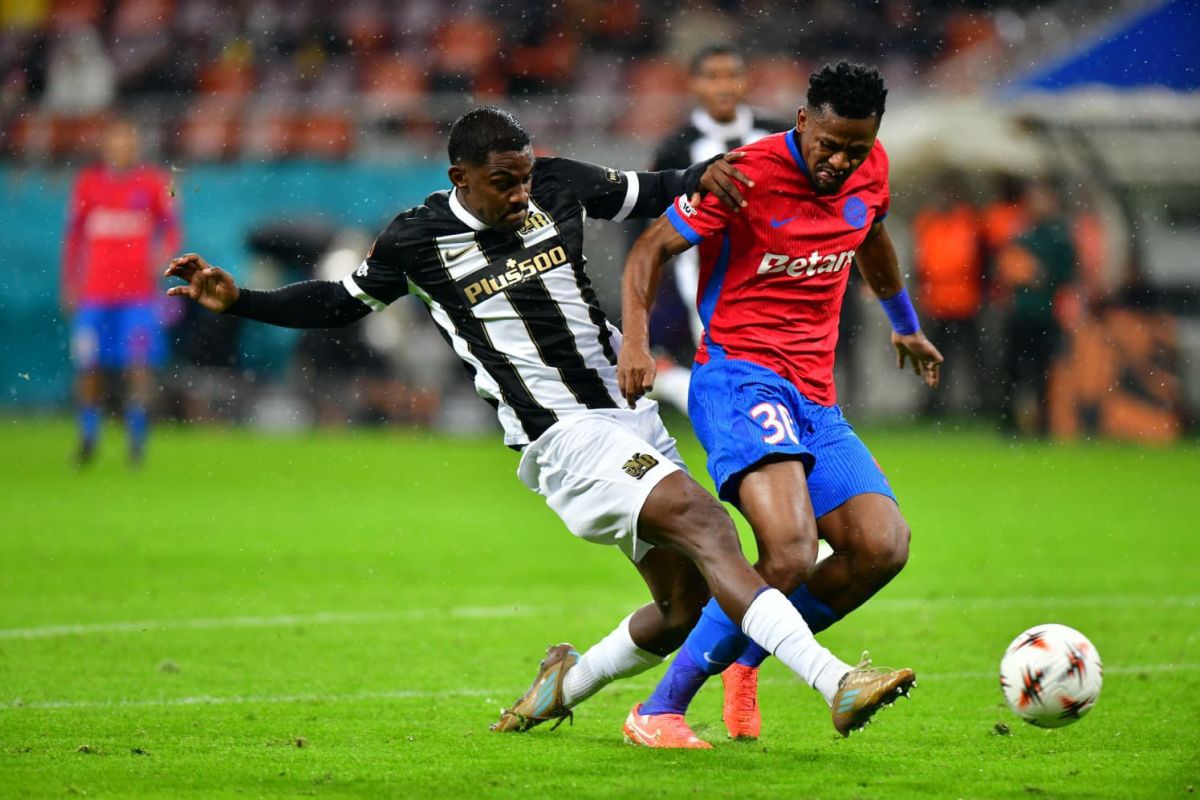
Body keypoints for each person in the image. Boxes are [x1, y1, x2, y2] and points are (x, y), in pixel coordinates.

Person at [166, 107, 912, 746]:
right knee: (707, 524)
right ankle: (834, 681)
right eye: (504, 182)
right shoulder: (416, 240)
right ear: (461, 178)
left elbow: (647, 191)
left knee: (683, 609)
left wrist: (706, 174)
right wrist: (243, 302)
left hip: (630, 416)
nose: (522, 193)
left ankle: (563, 686)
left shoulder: (555, 183)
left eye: (525, 177)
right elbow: (340, 302)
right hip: (561, 435)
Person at [616, 62, 941, 747]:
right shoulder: (746, 175)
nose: (840, 161)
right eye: (829, 144)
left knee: (882, 546)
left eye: (856, 148)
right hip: (739, 380)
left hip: (815, 396)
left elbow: (872, 234)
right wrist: (637, 342)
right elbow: (649, 248)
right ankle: (659, 709)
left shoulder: (871, 170)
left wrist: (904, 323)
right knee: (789, 552)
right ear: (801, 121)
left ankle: (750, 655)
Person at [640, 44, 790, 411]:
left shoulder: (779, 135)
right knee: (734, 370)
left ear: (746, 80)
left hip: (779, 268)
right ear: (693, 84)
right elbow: (651, 218)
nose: (724, 86)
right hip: (708, 275)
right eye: (712, 77)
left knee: (782, 369)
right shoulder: (677, 148)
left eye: (732, 75)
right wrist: (649, 279)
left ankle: (671, 380)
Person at [63, 118, 182, 466]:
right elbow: (73, 238)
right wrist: (70, 282)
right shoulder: (87, 184)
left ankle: (136, 443)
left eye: (126, 142)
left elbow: (172, 229)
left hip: (138, 297)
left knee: (138, 367)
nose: (121, 148)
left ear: (135, 146)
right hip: (95, 296)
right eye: (115, 142)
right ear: (105, 146)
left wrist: (162, 258)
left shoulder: (154, 183)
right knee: (89, 368)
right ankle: (88, 438)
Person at [995, 178, 1077, 436]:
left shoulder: (1059, 237)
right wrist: (1024, 273)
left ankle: (1043, 424)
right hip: (1019, 314)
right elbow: (1006, 268)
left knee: (1044, 373)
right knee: (1013, 371)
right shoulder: (1022, 233)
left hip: (1045, 315)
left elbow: (1065, 275)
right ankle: (1011, 423)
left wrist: (1040, 275)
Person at [911, 172, 986, 417]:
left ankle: (980, 403)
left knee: (971, 360)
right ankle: (934, 403)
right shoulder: (928, 223)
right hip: (937, 304)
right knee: (937, 358)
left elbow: (980, 262)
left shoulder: (969, 222)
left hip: (965, 304)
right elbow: (920, 265)